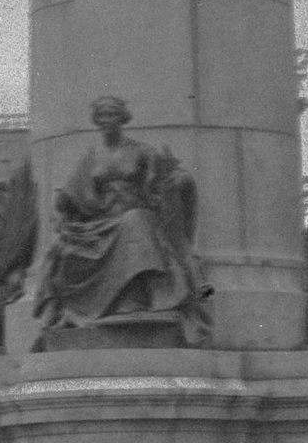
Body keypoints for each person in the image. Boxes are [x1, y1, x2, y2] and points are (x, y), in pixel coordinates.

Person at [32, 96, 212, 344]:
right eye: (103, 116)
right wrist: (62, 217)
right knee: (68, 249)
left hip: (138, 215)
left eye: (112, 115)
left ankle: (138, 300)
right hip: (100, 222)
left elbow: (165, 180)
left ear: (122, 118)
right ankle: (109, 304)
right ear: (97, 120)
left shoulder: (141, 151)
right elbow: (68, 197)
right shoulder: (92, 157)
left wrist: (176, 181)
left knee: (135, 222)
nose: (107, 120)